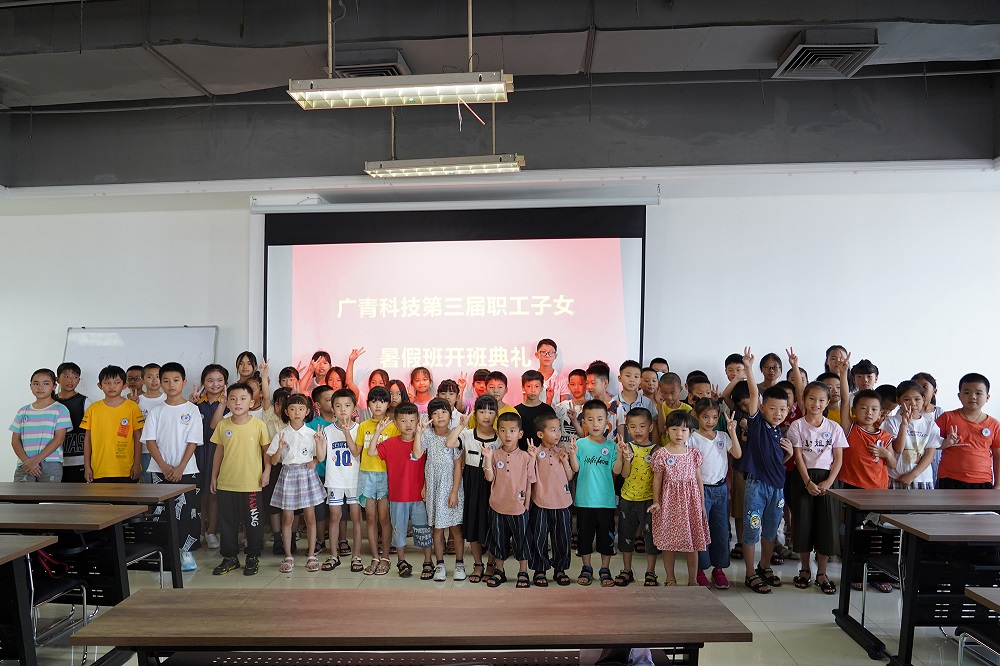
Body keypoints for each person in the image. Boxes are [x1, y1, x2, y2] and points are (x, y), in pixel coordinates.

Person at [737, 348, 793, 595]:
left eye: (782, 409)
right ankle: (750, 573)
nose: (778, 413)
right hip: (756, 486)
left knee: (771, 530)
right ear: (761, 408)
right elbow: (753, 392)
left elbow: (776, 461)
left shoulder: (778, 432)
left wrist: (788, 455)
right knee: (752, 529)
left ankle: (764, 566)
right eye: (772, 409)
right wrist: (749, 368)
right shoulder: (757, 423)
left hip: (777, 489)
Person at [786, 381, 847, 596]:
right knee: (803, 523)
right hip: (804, 479)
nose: (816, 403)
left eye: (821, 400)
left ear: (828, 402)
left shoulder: (834, 428)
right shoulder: (797, 426)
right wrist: (807, 482)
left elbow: (838, 459)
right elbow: (798, 456)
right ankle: (804, 569)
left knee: (827, 525)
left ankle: (822, 573)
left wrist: (828, 482)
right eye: (811, 398)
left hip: (828, 480)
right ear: (804, 400)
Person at [142, 362, 203, 571]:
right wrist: (164, 466)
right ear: (161, 383)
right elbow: (150, 441)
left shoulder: (192, 410)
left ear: (183, 382)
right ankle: (163, 553)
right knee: (161, 513)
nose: (171, 385)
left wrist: (180, 467)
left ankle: (186, 552)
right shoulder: (156, 411)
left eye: (176, 380)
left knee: (187, 512)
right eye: (166, 381)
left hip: (187, 470)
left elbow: (193, 442)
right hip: (159, 471)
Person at [210, 382, 271, 576]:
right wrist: (213, 476)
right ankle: (230, 558)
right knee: (227, 522)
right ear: (227, 402)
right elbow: (218, 453)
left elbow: (266, 452)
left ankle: (252, 556)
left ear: (251, 402)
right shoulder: (223, 425)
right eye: (233, 399)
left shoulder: (259, 425)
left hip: (251, 484)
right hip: (227, 483)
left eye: (243, 399)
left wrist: (267, 471)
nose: (238, 403)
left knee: (253, 521)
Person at [647, 410, 710, 587]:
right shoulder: (661, 454)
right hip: (669, 503)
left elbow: (698, 479)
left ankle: (692, 580)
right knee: (669, 543)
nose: (679, 434)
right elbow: (657, 479)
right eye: (674, 429)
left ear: (690, 432)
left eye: (683, 430)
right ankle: (670, 578)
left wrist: (702, 505)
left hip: (691, 503)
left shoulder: (694, 453)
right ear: (667, 430)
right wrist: (656, 501)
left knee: (692, 542)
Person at [371, 403, 434, 579]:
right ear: (396, 423)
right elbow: (371, 451)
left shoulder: (422, 442)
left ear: (418, 421)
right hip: (398, 496)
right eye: (404, 420)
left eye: (412, 420)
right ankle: (401, 561)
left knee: (423, 530)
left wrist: (425, 486)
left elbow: (428, 466)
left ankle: (428, 561)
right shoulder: (390, 443)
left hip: (419, 496)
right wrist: (378, 431)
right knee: (398, 529)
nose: (408, 424)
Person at [568, 399, 625, 587]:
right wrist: (572, 453)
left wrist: (620, 454)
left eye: (599, 419)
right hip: (584, 501)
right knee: (584, 537)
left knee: (606, 538)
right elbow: (575, 469)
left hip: (606, 502)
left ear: (606, 421)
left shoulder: (611, 446)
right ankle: (586, 567)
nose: (595, 424)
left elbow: (617, 471)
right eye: (590, 420)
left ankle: (604, 569)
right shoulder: (581, 444)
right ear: (583, 422)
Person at [687, 398, 741, 590]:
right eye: (705, 417)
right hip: (700, 490)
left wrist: (732, 431)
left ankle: (718, 569)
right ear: (696, 416)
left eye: (714, 417)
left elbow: (737, 454)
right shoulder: (691, 438)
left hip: (721, 489)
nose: (710, 421)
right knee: (700, 530)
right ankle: (700, 570)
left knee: (720, 530)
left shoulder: (723, 436)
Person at [266, 393, 324, 573]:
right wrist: (280, 449)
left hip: (306, 474)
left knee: (310, 517)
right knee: (287, 518)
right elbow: (273, 461)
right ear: (286, 412)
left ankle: (311, 555)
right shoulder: (281, 434)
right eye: (292, 409)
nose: (297, 413)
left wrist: (316, 456)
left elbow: (321, 457)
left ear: (307, 411)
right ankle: (288, 556)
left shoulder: (312, 433)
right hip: (289, 474)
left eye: (301, 409)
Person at [450, 394, 499, 584]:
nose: (486, 416)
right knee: (473, 524)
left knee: (493, 525)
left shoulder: (500, 437)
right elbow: (450, 443)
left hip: (494, 485)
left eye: (491, 411)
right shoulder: (467, 435)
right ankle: (478, 564)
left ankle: (492, 564)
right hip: (471, 483)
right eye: (482, 411)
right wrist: (461, 425)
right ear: (475, 413)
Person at [483, 412, 536, 588]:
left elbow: (530, 482)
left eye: (512, 431)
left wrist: (526, 505)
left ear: (520, 434)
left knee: (522, 540)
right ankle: (500, 570)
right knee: (499, 540)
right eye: (503, 430)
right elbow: (489, 478)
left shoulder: (526, 456)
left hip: (519, 508)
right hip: (497, 506)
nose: (508, 435)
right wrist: (487, 459)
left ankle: (523, 571)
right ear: (497, 432)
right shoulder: (494, 454)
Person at [526, 413, 574, 587]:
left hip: (563, 502)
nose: (558, 433)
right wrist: (532, 457)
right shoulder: (535, 453)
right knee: (539, 537)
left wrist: (566, 461)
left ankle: (560, 569)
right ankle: (540, 569)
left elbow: (569, 476)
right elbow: (529, 476)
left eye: (559, 429)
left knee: (562, 537)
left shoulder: (561, 451)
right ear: (540, 434)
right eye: (553, 430)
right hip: (541, 502)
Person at [420, 398, 465, 581]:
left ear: (450, 415)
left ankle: (460, 564)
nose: (440, 416)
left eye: (444, 412)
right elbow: (420, 458)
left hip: (451, 487)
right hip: (433, 487)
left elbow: (458, 466)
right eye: (435, 413)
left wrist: (454, 491)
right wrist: (424, 485)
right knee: (437, 528)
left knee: (455, 528)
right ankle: (439, 564)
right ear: (430, 416)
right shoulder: (427, 435)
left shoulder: (455, 436)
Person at [614, 408, 660, 587]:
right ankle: (627, 570)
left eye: (642, 426)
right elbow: (624, 474)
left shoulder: (656, 450)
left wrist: (657, 501)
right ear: (627, 429)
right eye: (632, 427)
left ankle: (651, 572)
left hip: (649, 501)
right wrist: (626, 459)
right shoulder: (627, 448)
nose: (637, 430)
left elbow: (659, 478)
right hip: (628, 499)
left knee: (651, 538)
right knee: (626, 536)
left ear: (650, 427)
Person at [319, 388, 363, 572]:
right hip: (335, 480)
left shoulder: (359, 429)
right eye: (338, 406)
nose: (343, 409)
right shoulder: (327, 430)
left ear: (354, 408)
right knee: (335, 516)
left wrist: (347, 434)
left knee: (356, 517)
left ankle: (356, 556)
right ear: (333, 409)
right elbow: (321, 457)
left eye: (347, 405)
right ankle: (334, 555)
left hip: (354, 479)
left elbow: (357, 453)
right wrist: (319, 442)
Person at [356, 386, 397, 575]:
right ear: (368, 404)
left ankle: (385, 557)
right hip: (366, 475)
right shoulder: (363, 426)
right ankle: (374, 556)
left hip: (386, 476)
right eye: (374, 401)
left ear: (388, 404)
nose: (378, 405)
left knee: (384, 518)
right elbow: (356, 452)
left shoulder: (394, 427)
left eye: (382, 401)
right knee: (371, 518)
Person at [936, 373, 1000, 489]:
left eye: (978, 393)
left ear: (987, 397)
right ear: (959, 396)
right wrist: (946, 443)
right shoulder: (947, 418)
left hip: (982, 481)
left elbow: (998, 456)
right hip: (949, 479)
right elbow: (930, 444)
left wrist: (998, 485)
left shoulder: (994, 425)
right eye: (967, 392)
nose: (972, 397)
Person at [82, 365, 144, 483]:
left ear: (125, 385)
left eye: (116, 382)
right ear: (100, 385)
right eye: (107, 383)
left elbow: (138, 437)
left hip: (126, 469)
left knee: (128, 496)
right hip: (99, 469)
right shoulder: (93, 409)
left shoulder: (132, 407)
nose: (111, 386)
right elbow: (87, 440)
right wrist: (87, 467)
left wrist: (137, 464)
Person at [189, 363, 228, 549]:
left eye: (219, 380)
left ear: (225, 383)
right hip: (197, 453)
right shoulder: (196, 403)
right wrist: (190, 405)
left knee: (213, 494)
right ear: (203, 382)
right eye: (210, 380)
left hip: (218, 452)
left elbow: (216, 426)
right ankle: (198, 531)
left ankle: (211, 532)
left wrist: (223, 403)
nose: (215, 384)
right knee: (199, 495)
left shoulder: (229, 403)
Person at [10, 368, 71, 482]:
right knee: (22, 493)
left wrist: (36, 460)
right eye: (36, 383)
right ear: (30, 386)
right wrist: (27, 461)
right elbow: (15, 440)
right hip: (25, 464)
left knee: (48, 494)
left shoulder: (60, 410)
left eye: (46, 383)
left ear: (54, 386)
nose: (40, 387)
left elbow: (59, 438)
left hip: (51, 463)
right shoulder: (23, 411)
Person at [882, 380, 940, 489]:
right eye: (907, 399)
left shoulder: (931, 425)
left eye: (917, 399)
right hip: (896, 477)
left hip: (922, 479)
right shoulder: (891, 422)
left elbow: (930, 455)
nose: (913, 403)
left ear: (923, 399)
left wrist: (912, 475)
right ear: (898, 400)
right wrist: (904, 425)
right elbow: (898, 449)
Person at [55, 362, 89, 483]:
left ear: (79, 380)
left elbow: (91, 433)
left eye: (75, 377)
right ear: (57, 379)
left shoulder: (85, 402)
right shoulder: (50, 401)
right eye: (66, 376)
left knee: (77, 493)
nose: (70, 380)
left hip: (78, 460)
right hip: (52, 460)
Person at [135, 363, 165, 482]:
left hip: (163, 450)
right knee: (146, 485)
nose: (154, 380)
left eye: (158, 376)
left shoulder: (168, 399)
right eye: (149, 377)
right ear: (142, 380)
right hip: (143, 450)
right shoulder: (137, 401)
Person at [615, 360, 657, 442]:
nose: (632, 380)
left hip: (643, 448)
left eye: (636, 377)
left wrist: (655, 446)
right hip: (620, 447)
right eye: (628, 376)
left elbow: (654, 427)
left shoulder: (647, 402)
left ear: (640, 380)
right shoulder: (613, 402)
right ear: (619, 378)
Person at [515, 370, 557, 451]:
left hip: (544, 453)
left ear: (542, 388)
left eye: (537, 386)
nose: (533, 390)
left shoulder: (548, 410)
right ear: (523, 388)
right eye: (529, 386)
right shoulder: (516, 410)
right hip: (522, 453)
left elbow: (553, 433)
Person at [585, 361, 620, 438]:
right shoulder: (586, 406)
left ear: (605, 383)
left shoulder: (617, 406)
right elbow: (584, 434)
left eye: (593, 383)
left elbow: (621, 436)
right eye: (587, 383)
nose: (589, 387)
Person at [655, 373, 691, 446]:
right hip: (664, 448)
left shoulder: (687, 409)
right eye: (664, 392)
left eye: (673, 393)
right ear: (659, 390)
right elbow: (662, 430)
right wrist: (659, 405)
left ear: (680, 389)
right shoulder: (657, 407)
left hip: (681, 448)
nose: (669, 397)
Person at [554, 368, 587, 444]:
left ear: (586, 385)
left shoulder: (591, 408)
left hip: (580, 449)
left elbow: (586, 435)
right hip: (561, 449)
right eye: (572, 384)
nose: (576, 388)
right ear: (568, 386)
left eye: (580, 384)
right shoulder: (560, 407)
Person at [535, 338, 569, 405]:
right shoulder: (530, 378)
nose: (547, 355)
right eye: (543, 352)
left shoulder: (563, 380)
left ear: (555, 356)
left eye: (551, 352)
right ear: (537, 355)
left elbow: (564, 407)